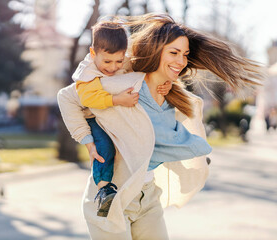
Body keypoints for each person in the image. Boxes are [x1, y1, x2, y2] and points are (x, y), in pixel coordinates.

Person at [58, 14, 263, 239]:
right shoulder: (123, 85)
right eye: (173, 53)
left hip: (147, 197)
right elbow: (67, 97)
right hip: (111, 199)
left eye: (185, 55)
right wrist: (86, 140)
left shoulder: (171, 96)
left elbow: (166, 140)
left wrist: (197, 154)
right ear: (156, 51)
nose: (181, 61)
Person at [72, 20, 173, 217]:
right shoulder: (87, 73)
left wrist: (164, 85)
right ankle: (104, 188)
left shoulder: (125, 62)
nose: (113, 67)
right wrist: (117, 99)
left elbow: (143, 78)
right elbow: (88, 98)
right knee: (104, 147)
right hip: (95, 117)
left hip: (118, 113)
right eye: (107, 62)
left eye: (119, 61)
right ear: (93, 54)